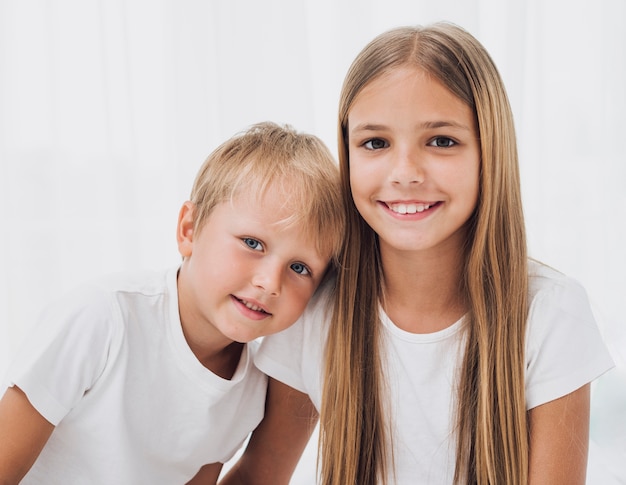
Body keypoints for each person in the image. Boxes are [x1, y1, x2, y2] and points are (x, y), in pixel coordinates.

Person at [220, 23, 615, 485]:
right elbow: (259, 475)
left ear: (491, 152)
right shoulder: (317, 307)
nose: (405, 173)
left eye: (441, 141)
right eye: (375, 143)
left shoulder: (550, 314)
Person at [0, 121, 345, 485]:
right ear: (189, 230)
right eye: (252, 243)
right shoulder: (102, 319)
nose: (269, 283)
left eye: (299, 267)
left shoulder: (250, 388)